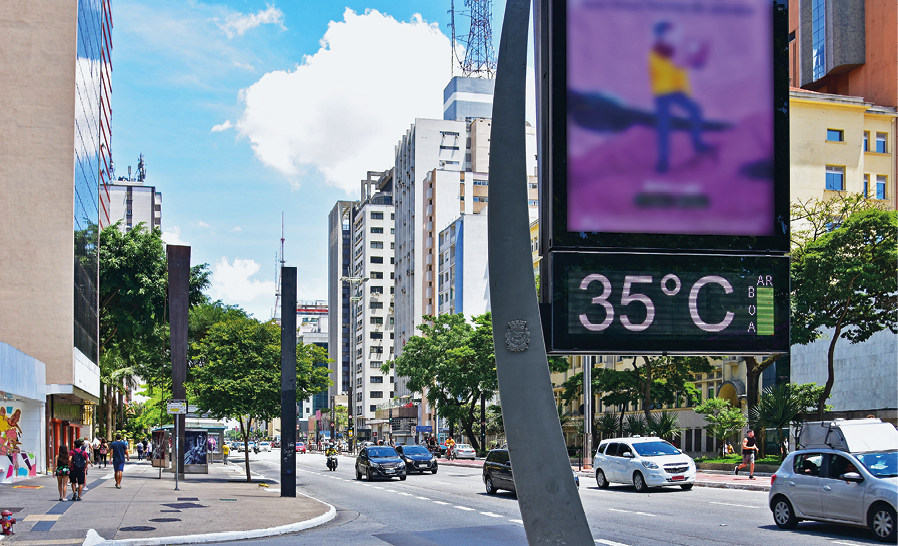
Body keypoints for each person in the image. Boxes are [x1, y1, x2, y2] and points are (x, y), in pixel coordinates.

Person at [648, 20, 712, 173]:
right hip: (663, 93)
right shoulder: (659, 48)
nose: (673, 35)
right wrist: (694, 57)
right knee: (664, 126)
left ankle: (697, 143)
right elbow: (678, 65)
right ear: (662, 34)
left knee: (695, 111)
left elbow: (683, 66)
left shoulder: (671, 49)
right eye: (669, 32)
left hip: (676, 91)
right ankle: (663, 161)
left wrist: (698, 59)